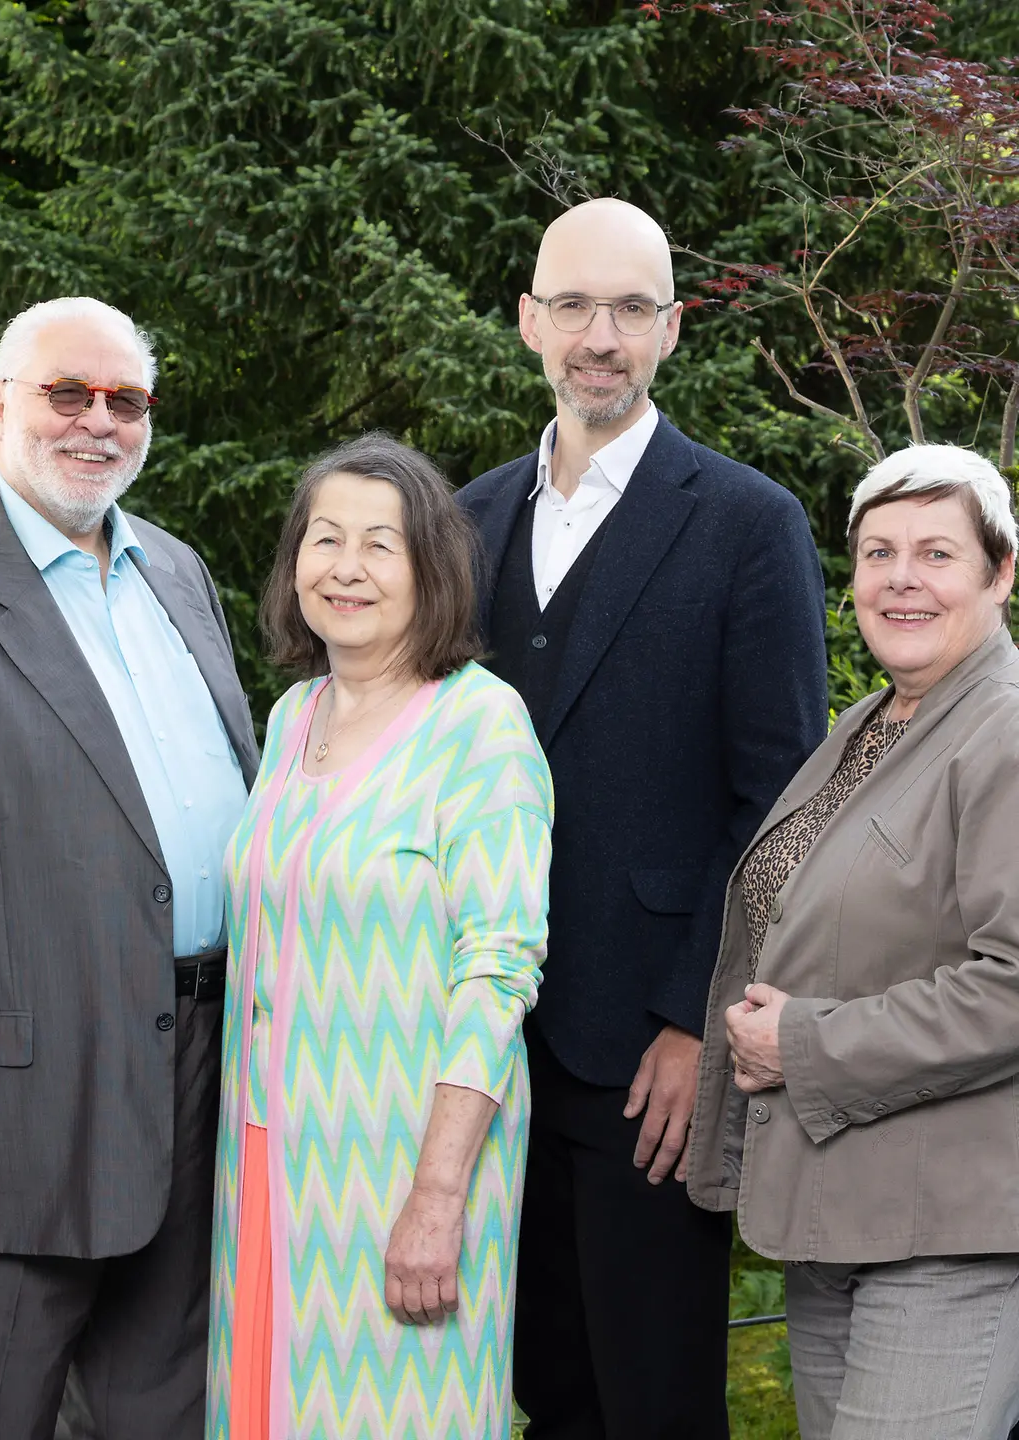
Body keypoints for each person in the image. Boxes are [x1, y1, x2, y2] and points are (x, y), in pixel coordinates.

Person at [0, 296, 259, 1440]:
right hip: (3, 1125)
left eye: (125, 400)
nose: (98, 422)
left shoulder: (179, 573)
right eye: (66, 394)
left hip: (200, 1088)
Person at [455, 196, 830, 1439]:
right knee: (535, 1389)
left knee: (654, 1401)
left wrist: (694, 1021)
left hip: (646, 1065)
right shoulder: (463, 523)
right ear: (528, 323)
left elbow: (778, 807)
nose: (598, 335)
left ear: (672, 328)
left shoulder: (746, 523)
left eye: (628, 308)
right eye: (572, 306)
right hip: (479, 1050)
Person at [208, 433, 553, 1440]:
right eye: (325, 540)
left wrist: (437, 1194)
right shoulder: (291, 716)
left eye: (379, 545)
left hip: (404, 1164)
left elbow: (497, 971)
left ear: (430, 570)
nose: (345, 568)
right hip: (266, 1158)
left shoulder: (480, 728)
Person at [687, 444, 1019, 1439]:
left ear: (1002, 572)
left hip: (952, 1235)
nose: (901, 579)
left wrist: (806, 1044)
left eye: (935, 553)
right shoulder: (873, 725)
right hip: (845, 1221)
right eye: (878, 554)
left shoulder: (1003, 732)